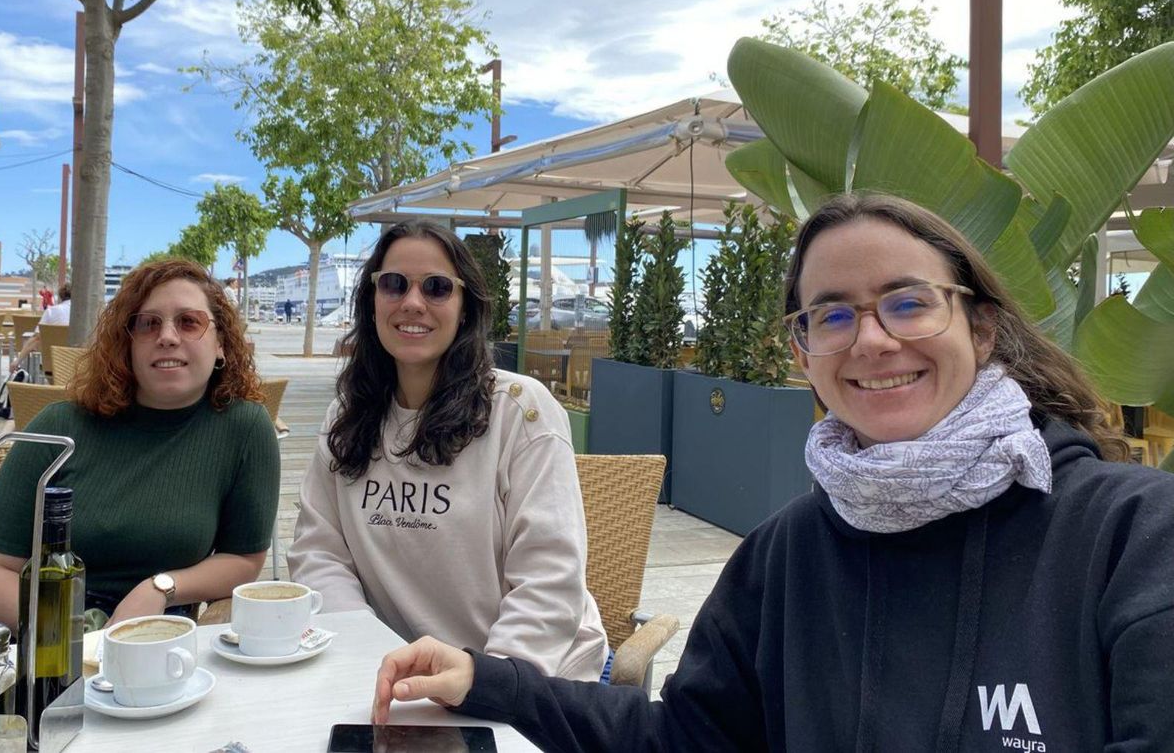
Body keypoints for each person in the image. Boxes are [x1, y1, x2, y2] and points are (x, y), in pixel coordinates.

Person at [372, 194, 1174, 750]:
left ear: (984, 326)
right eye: (831, 314)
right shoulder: (784, 557)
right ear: (802, 355)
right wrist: (488, 681)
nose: (871, 340)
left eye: (908, 301)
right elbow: (682, 739)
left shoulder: (1130, 538)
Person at [288, 221, 608, 682]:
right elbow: (319, 554)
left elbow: (549, 582)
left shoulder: (520, 411)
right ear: (372, 300)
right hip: (396, 679)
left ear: (464, 309)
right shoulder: (348, 415)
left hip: (533, 679)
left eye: (437, 287)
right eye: (394, 284)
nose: (412, 302)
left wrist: (484, 685)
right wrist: (364, 656)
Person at [0, 259, 280, 629]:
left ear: (221, 345)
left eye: (189, 322)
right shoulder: (59, 425)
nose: (167, 336)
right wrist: (81, 637)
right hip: (36, 630)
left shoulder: (244, 428)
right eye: (148, 323)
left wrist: (161, 587)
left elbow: (244, 559)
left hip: (158, 633)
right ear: (127, 343)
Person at [8, 282, 72, 373]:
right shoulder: (87, 315)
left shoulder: (51, 312)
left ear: (61, 296)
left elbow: (36, 339)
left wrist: (17, 361)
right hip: (79, 366)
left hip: (53, 365)